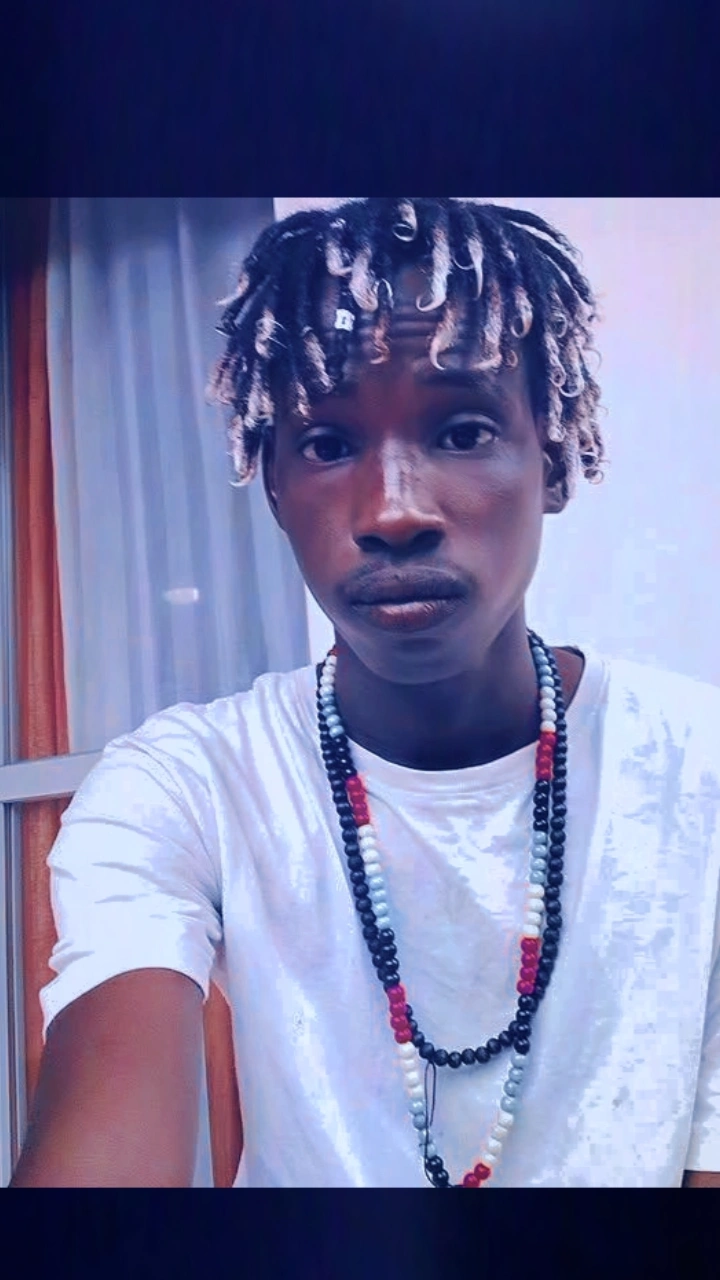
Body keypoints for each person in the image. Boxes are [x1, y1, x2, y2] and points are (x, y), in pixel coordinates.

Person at [9, 197, 720, 1188]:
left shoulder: (697, 770)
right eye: (327, 444)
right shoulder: (185, 787)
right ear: (272, 487)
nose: (393, 510)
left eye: (463, 429)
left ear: (554, 463)